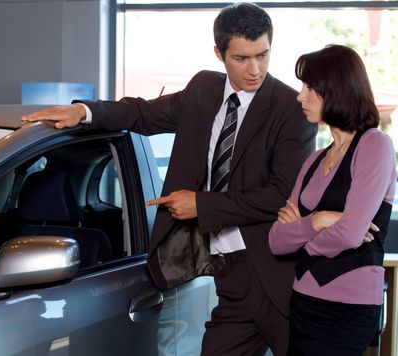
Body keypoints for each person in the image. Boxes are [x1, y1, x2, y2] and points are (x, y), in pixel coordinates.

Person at [23, 3, 317, 354]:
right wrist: (84, 112)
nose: (255, 69)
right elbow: (143, 114)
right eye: (242, 58)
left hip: (275, 275)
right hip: (229, 277)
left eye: (263, 55)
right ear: (218, 53)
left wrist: (200, 205)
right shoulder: (203, 90)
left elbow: (280, 193)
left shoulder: (290, 109)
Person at [268, 44, 396, 355]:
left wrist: (304, 239)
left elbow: (351, 233)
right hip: (303, 302)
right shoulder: (313, 160)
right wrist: (319, 220)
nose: (300, 95)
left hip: (348, 309)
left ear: (336, 90)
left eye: (310, 87)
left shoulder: (374, 146)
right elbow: (276, 240)